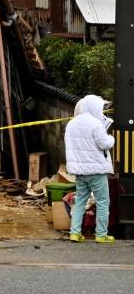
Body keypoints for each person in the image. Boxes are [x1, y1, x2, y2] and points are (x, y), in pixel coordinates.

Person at [64, 94, 115, 243]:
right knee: (103, 202)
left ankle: (74, 233)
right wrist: (111, 138)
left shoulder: (72, 124)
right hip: (96, 171)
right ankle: (101, 234)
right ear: (94, 107)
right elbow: (104, 144)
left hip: (80, 172)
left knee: (80, 201)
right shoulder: (95, 124)